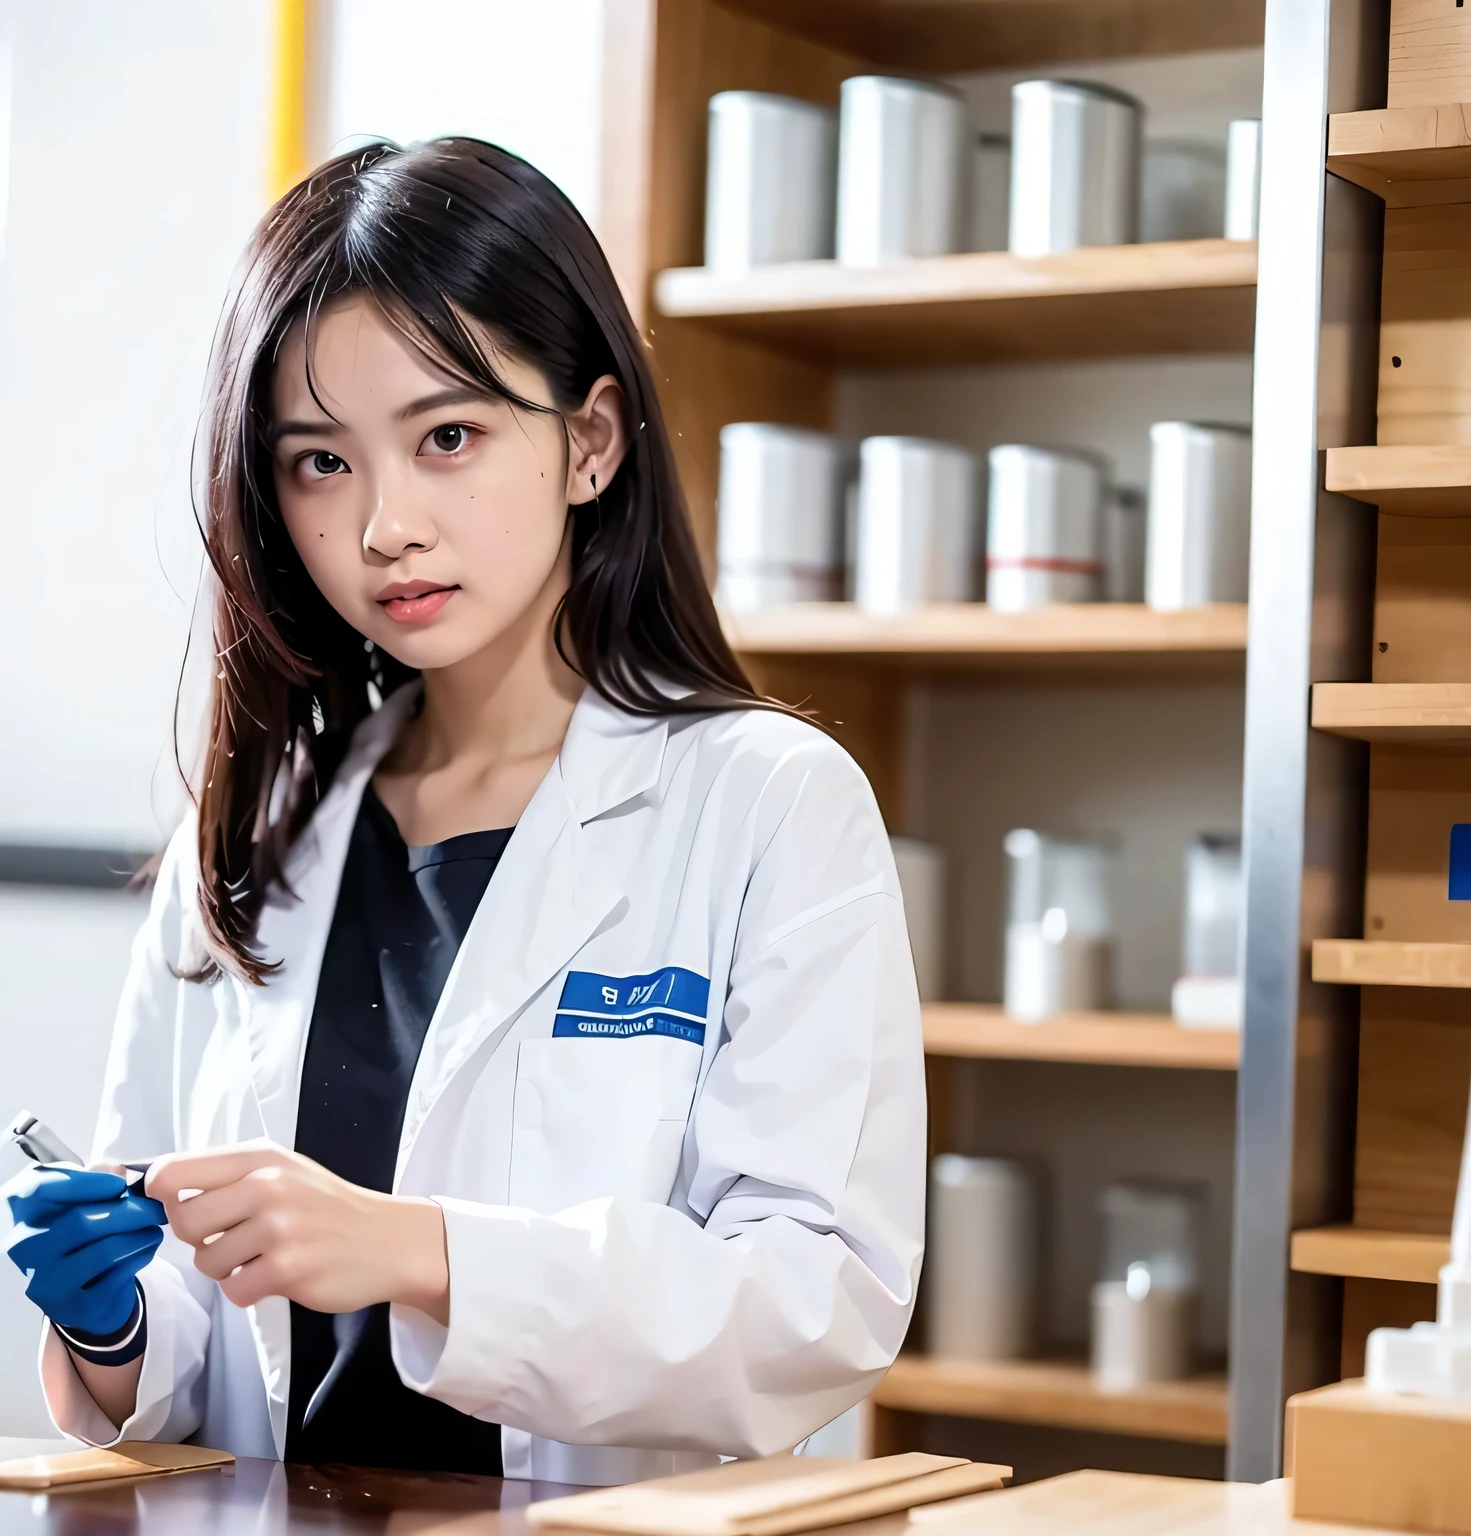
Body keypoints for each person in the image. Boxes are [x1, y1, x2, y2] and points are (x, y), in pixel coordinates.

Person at [2, 140, 924, 1484]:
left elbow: (810, 1307)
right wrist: (114, 1322)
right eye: (320, 463)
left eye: (449, 437)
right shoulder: (256, 833)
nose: (384, 527)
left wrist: (421, 1251)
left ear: (590, 443)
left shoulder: (765, 806)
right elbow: (205, 1351)